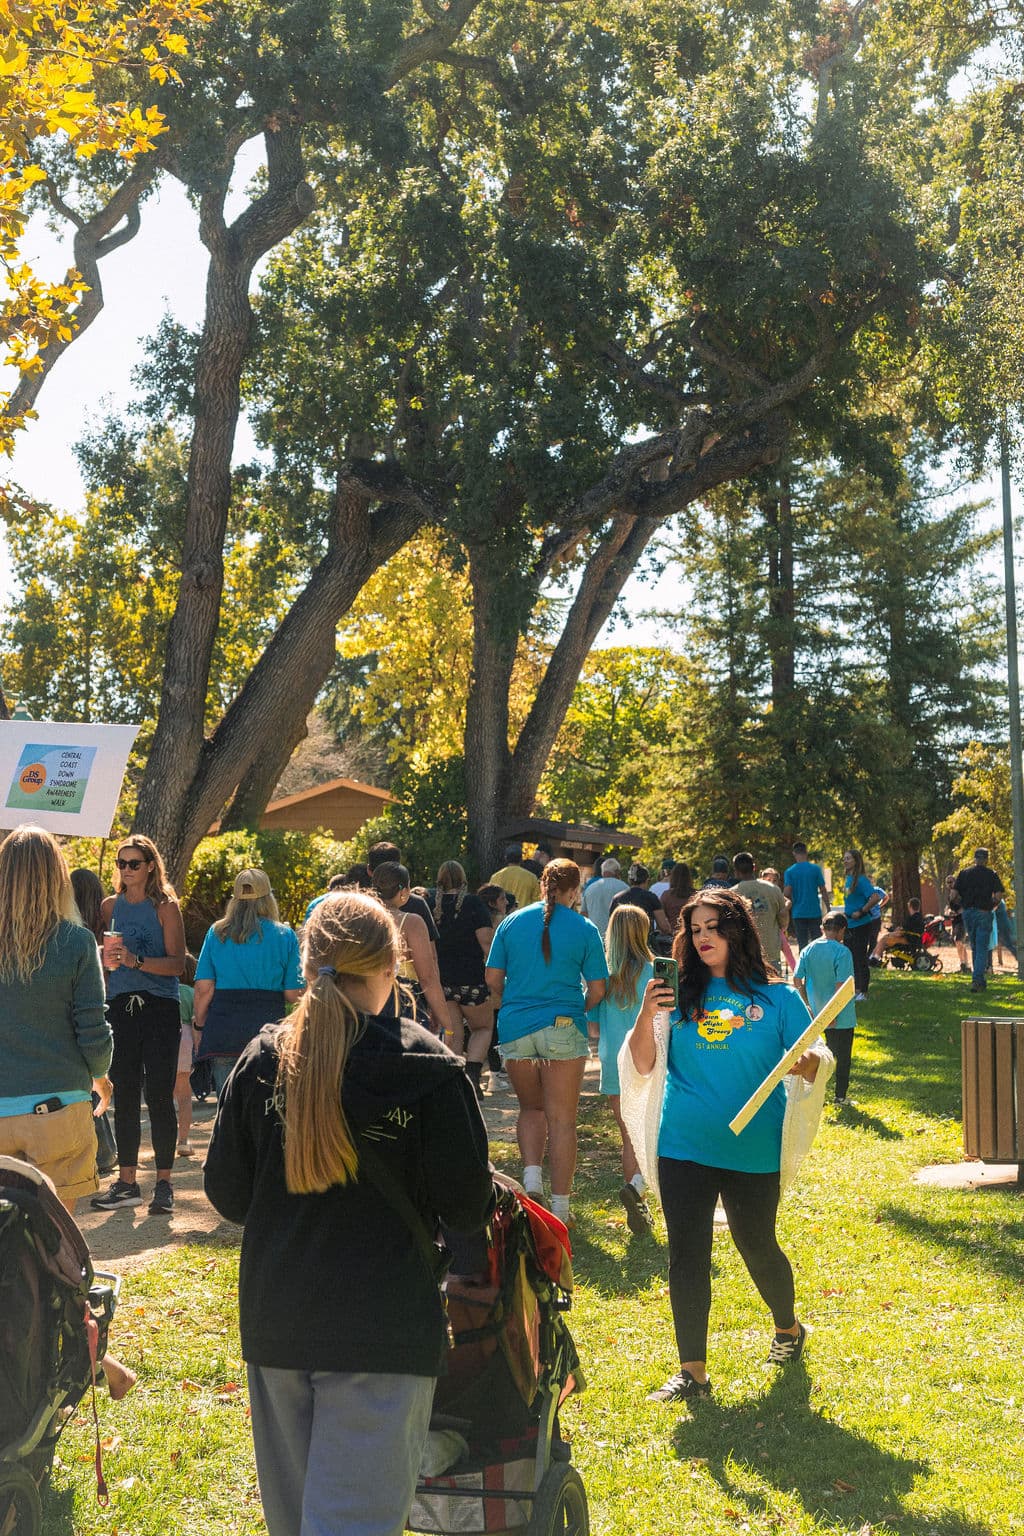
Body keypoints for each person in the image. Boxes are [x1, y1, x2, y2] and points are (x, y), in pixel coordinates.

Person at [204, 891, 493, 1536]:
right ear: (392, 968)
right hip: (383, 1328)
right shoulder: (430, 1069)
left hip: (278, 1318)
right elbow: (467, 1204)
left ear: (306, 966)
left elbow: (227, 1192)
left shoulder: (261, 1060)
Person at [624, 888, 824, 1404]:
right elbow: (643, 1063)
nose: (703, 938)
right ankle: (692, 1371)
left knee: (756, 1243)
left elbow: (817, 1055)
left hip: (752, 1147)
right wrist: (646, 1014)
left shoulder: (778, 998)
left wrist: (809, 1064)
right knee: (687, 1254)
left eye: (713, 927)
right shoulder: (676, 993)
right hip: (683, 1145)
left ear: (737, 931)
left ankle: (788, 1328)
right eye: (695, 930)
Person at [485, 858, 608, 1225]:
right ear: (575, 890)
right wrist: (578, 1008)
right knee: (563, 1120)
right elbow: (598, 988)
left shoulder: (511, 922)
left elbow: (492, 978)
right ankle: (561, 1209)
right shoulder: (584, 928)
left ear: (542, 884)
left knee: (530, 1109)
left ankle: (531, 1184)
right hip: (563, 1025)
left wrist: (512, 1002)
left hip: (516, 1027)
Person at [0, 827, 113, 1210]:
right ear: (57, 877)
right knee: (57, 1236)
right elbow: (93, 1030)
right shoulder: (76, 941)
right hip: (59, 1108)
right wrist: (101, 1077)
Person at [92, 835, 186, 1216]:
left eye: (134, 863)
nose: (126, 870)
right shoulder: (109, 906)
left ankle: (164, 1183)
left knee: (160, 1095)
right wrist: (107, 960)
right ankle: (127, 1182)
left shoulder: (165, 907)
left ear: (150, 866)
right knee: (125, 1094)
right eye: (121, 863)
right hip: (120, 1006)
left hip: (159, 1007)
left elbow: (178, 965)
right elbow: (108, 961)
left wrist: (136, 961)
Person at [193, 869, 304, 1095]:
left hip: (224, 1033)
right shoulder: (285, 935)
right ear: (269, 899)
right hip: (268, 1034)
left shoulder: (216, 933)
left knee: (226, 1107)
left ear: (234, 900)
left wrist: (199, 1026)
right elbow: (294, 994)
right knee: (266, 1106)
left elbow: (204, 989)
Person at [587, 905, 654, 1235]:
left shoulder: (602, 978)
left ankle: (637, 1196)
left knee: (629, 1136)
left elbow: (593, 1027)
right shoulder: (656, 971)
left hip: (615, 1060)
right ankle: (638, 1188)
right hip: (650, 1058)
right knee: (652, 1132)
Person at [430, 860, 495, 1092]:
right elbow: (486, 942)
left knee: (454, 1034)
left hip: (442, 981)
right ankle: (473, 1076)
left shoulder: (430, 905)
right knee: (483, 1028)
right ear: (463, 879)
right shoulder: (474, 904)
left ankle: (456, 1084)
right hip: (472, 979)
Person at [372, 862, 449, 1034]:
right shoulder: (411, 923)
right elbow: (427, 977)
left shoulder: (359, 920)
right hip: (403, 1003)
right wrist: (446, 1023)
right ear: (404, 891)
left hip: (364, 1003)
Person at [795, 912, 857, 1104]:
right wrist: (833, 1013)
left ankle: (815, 1095)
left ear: (823, 928)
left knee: (818, 1057)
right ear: (842, 930)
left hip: (814, 1014)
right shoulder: (842, 952)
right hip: (841, 1016)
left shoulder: (808, 949)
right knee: (842, 1058)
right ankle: (840, 1096)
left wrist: (807, 1004)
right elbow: (841, 986)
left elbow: (797, 979)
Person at [367, 843, 440, 943]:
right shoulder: (416, 904)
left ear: (369, 870)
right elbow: (430, 950)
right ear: (399, 868)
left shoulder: (358, 906)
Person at [954, 848, 1005, 992]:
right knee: (982, 947)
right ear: (986, 859)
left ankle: (980, 980)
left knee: (975, 946)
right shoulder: (991, 874)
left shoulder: (964, 873)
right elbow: (998, 896)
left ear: (975, 858)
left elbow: (953, 895)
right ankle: (977, 979)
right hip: (984, 912)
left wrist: (963, 905)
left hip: (968, 913)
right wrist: (990, 906)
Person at [731, 853, 788, 970]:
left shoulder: (731, 894)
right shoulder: (773, 889)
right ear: (754, 867)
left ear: (735, 871)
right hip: (770, 950)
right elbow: (783, 917)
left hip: (744, 953)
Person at [841, 849, 877, 1002]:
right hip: (849, 924)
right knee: (850, 958)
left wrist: (862, 911)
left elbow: (875, 897)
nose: (845, 861)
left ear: (856, 861)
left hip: (861, 924)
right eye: (844, 858)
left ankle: (863, 991)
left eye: (848, 858)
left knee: (860, 957)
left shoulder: (861, 880)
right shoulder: (848, 879)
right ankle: (854, 989)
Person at [174, 953, 199, 1156]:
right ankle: (182, 1141)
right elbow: (196, 1021)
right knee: (184, 1096)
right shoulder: (192, 993)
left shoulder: (165, 990)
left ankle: (163, 1139)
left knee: (162, 1095)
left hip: (162, 1039)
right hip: (186, 1041)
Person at [608, 863, 672, 941]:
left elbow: (612, 925)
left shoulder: (617, 898)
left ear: (630, 880)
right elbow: (664, 927)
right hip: (645, 942)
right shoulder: (651, 898)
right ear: (647, 880)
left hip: (622, 943)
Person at [783, 842, 828, 948]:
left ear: (794, 853)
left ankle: (803, 959)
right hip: (814, 912)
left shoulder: (790, 871)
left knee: (802, 944)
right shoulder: (815, 869)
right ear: (806, 852)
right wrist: (828, 908)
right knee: (817, 943)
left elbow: (787, 892)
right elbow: (823, 890)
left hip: (798, 913)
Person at [580, 857, 629, 939]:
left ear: (603, 872)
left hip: (595, 937)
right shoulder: (625, 888)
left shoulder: (590, 889)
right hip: (618, 938)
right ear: (617, 872)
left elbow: (584, 914)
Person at [761, 867, 797, 972]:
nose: (771, 883)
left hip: (776, 927)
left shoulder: (776, 893)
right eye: (768, 880)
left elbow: (788, 902)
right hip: (764, 928)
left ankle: (796, 971)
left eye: (774, 881)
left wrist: (784, 909)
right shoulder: (760, 893)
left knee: (786, 948)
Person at [869, 898, 925, 963]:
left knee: (884, 940)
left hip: (909, 940)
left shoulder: (912, 918)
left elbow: (902, 932)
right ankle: (872, 957)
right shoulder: (919, 917)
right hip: (914, 939)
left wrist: (893, 933)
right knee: (884, 938)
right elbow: (906, 929)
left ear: (910, 906)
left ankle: (874, 959)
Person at [488, 843, 541, 910]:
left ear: (505, 858)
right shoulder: (531, 877)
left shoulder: (495, 877)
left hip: (502, 914)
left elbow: (490, 898)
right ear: (521, 858)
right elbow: (537, 901)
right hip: (523, 914)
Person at [943, 875, 969, 973]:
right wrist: (948, 911)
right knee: (960, 943)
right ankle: (966, 965)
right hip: (955, 920)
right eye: (948, 882)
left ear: (955, 882)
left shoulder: (960, 893)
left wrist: (957, 912)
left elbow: (965, 906)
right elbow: (950, 907)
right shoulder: (950, 895)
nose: (950, 884)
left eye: (951, 882)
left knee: (958, 941)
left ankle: (963, 964)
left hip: (962, 919)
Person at [661, 862, 695, 933]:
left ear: (673, 877)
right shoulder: (696, 895)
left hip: (673, 934)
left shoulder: (666, 895)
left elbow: (662, 919)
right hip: (691, 932)